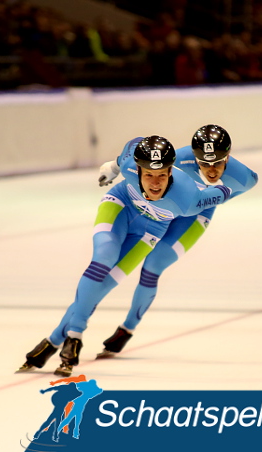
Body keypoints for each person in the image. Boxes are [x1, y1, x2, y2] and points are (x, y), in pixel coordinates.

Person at [16, 135, 234, 377]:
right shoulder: (131, 164)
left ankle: (58, 339)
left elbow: (224, 192)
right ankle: (73, 336)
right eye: (148, 174)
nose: (154, 183)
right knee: (103, 260)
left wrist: (223, 189)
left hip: (157, 224)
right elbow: (127, 153)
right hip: (122, 204)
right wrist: (112, 167)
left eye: (162, 175)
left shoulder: (190, 200)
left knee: (125, 277)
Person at [94, 125, 258, 358]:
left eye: (218, 163)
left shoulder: (244, 177)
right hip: (163, 209)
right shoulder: (180, 157)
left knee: (153, 266)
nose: (211, 171)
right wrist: (114, 166)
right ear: (193, 156)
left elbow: (240, 187)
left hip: (195, 215)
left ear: (228, 157)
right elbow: (139, 159)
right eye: (204, 163)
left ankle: (127, 328)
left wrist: (213, 199)